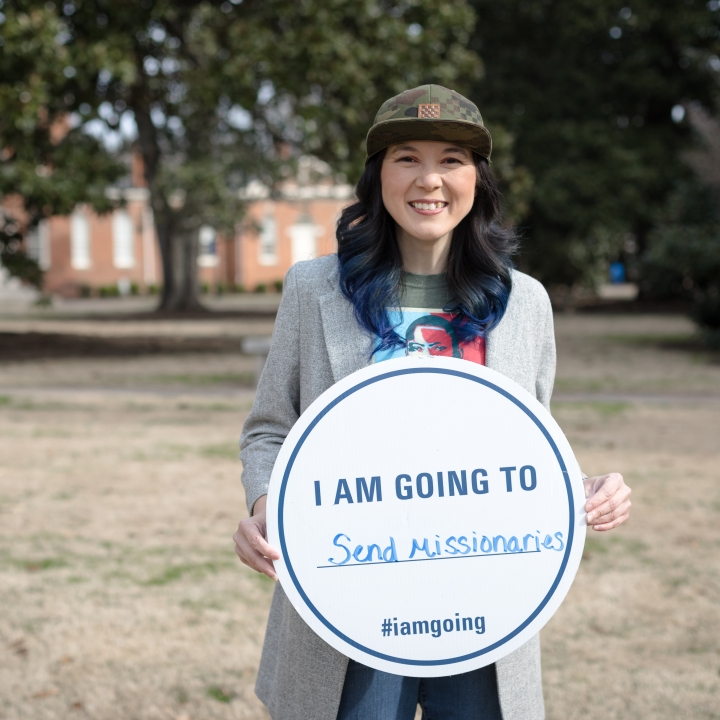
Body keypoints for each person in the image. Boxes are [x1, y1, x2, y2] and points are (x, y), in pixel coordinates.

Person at [233, 85, 632, 720]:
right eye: (406, 158)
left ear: (477, 177)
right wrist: (266, 507)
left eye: (451, 158)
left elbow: (526, 451)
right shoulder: (314, 290)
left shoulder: (524, 302)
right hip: (351, 603)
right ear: (378, 176)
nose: (430, 180)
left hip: (482, 610)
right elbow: (269, 430)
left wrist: (586, 488)